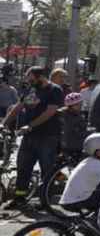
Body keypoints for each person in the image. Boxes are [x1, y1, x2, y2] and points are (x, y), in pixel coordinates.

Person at [2, 66, 65, 209]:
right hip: (29, 137)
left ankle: (45, 201)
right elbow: (18, 107)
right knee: (23, 167)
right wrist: (4, 123)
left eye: (29, 77)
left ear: (40, 76)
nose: (27, 80)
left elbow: (50, 112)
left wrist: (30, 125)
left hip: (48, 136)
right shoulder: (31, 89)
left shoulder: (54, 90)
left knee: (47, 169)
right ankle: (19, 198)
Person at [59, 133, 100, 214]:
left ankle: (95, 216)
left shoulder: (88, 161)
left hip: (70, 199)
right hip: (76, 201)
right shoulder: (96, 164)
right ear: (99, 152)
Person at [60, 92, 89, 158]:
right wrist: (90, 131)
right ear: (74, 105)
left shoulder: (65, 114)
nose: (81, 105)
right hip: (75, 146)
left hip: (66, 145)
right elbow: (76, 132)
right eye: (80, 104)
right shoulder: (72, 117)